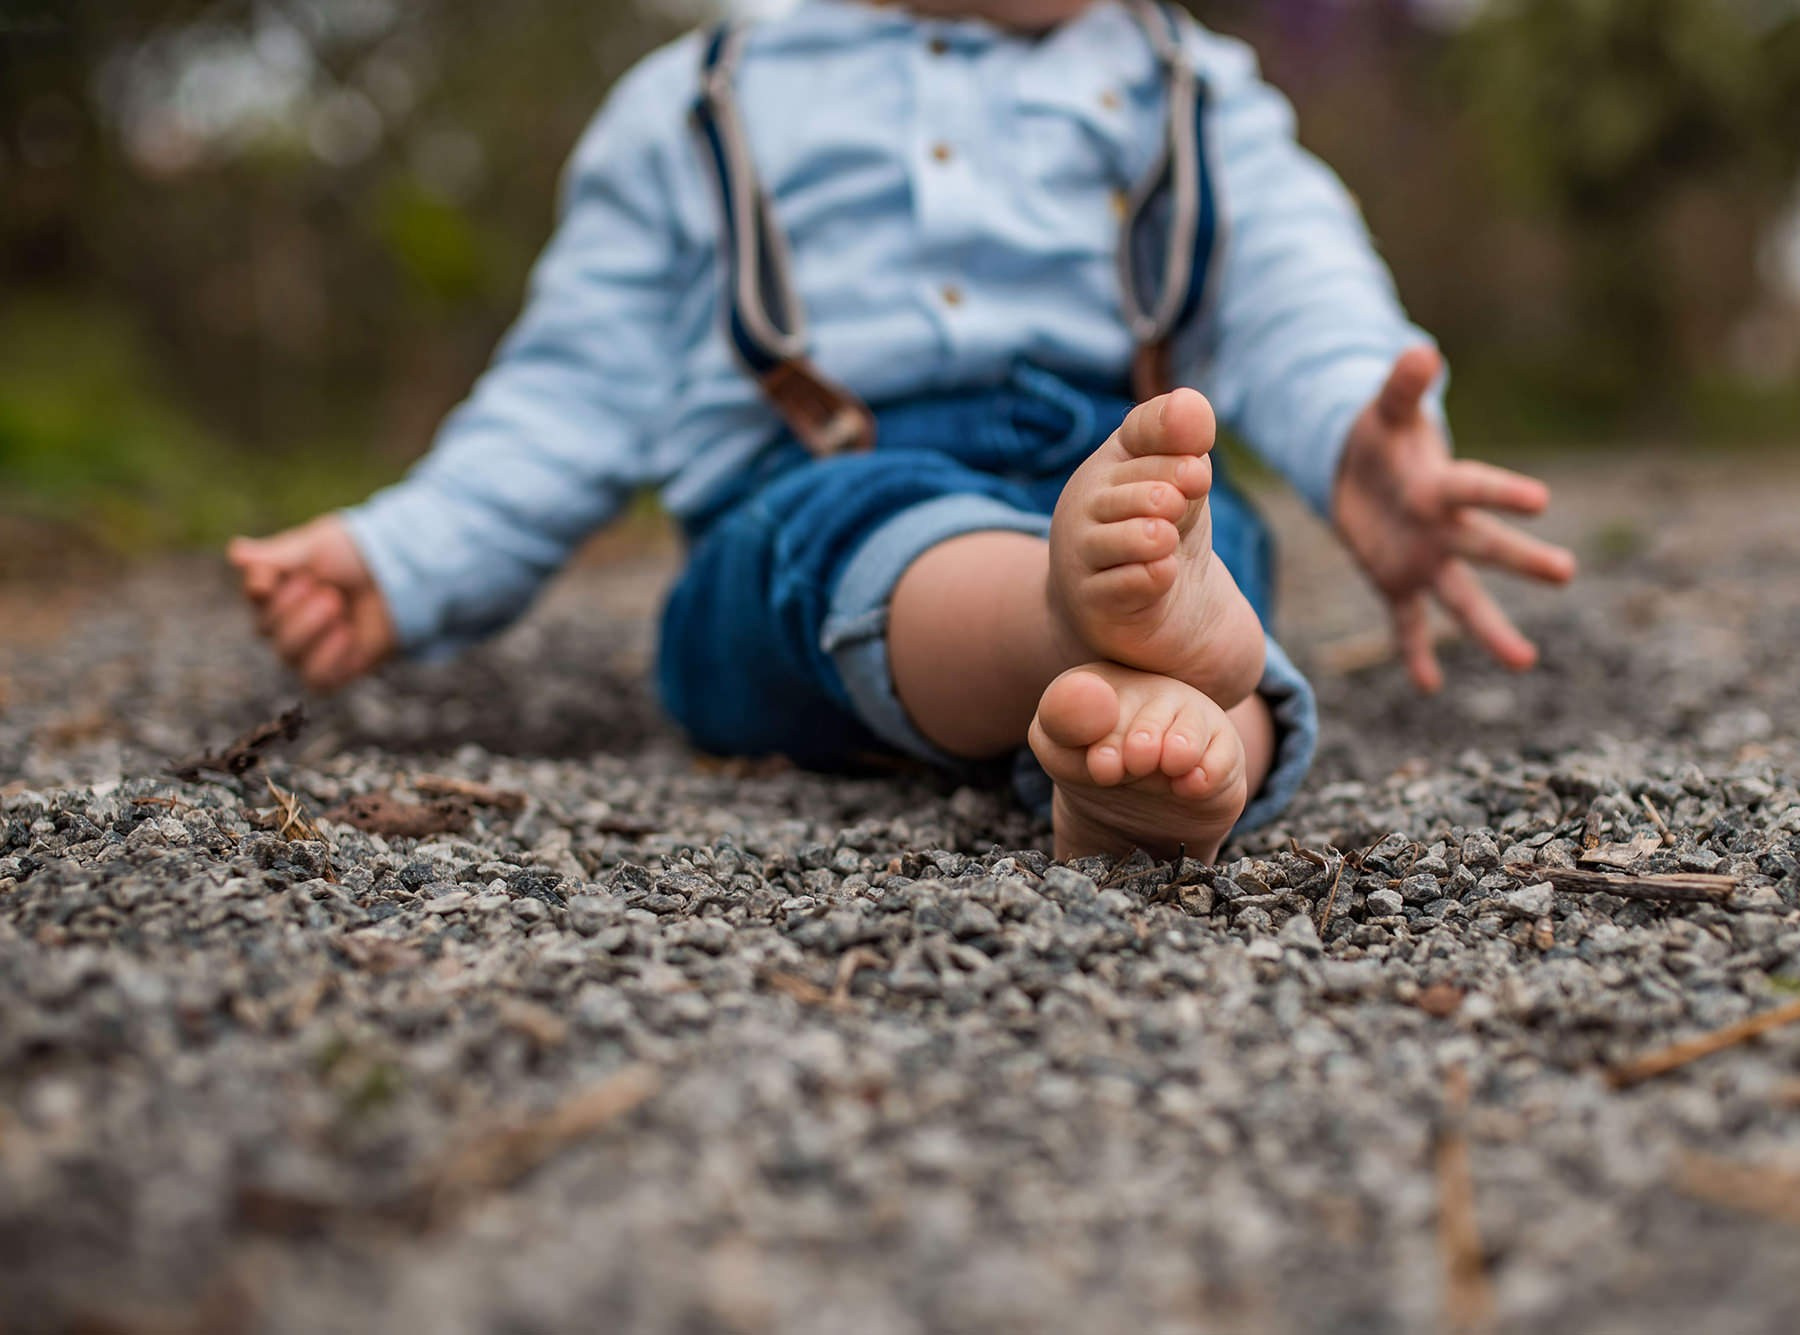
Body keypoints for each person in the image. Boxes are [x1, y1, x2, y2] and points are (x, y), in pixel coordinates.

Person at [228, 0, 1575, 863]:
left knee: (1204, 535)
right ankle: (1092, 644)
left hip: (1115, 477)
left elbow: (1296, 284)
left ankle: (1169, 763)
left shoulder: (1185, 85)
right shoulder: (706, 97)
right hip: (821, 500)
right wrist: (405, 557)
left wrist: (1364, 442)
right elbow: (571, 385)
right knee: (866, 545)